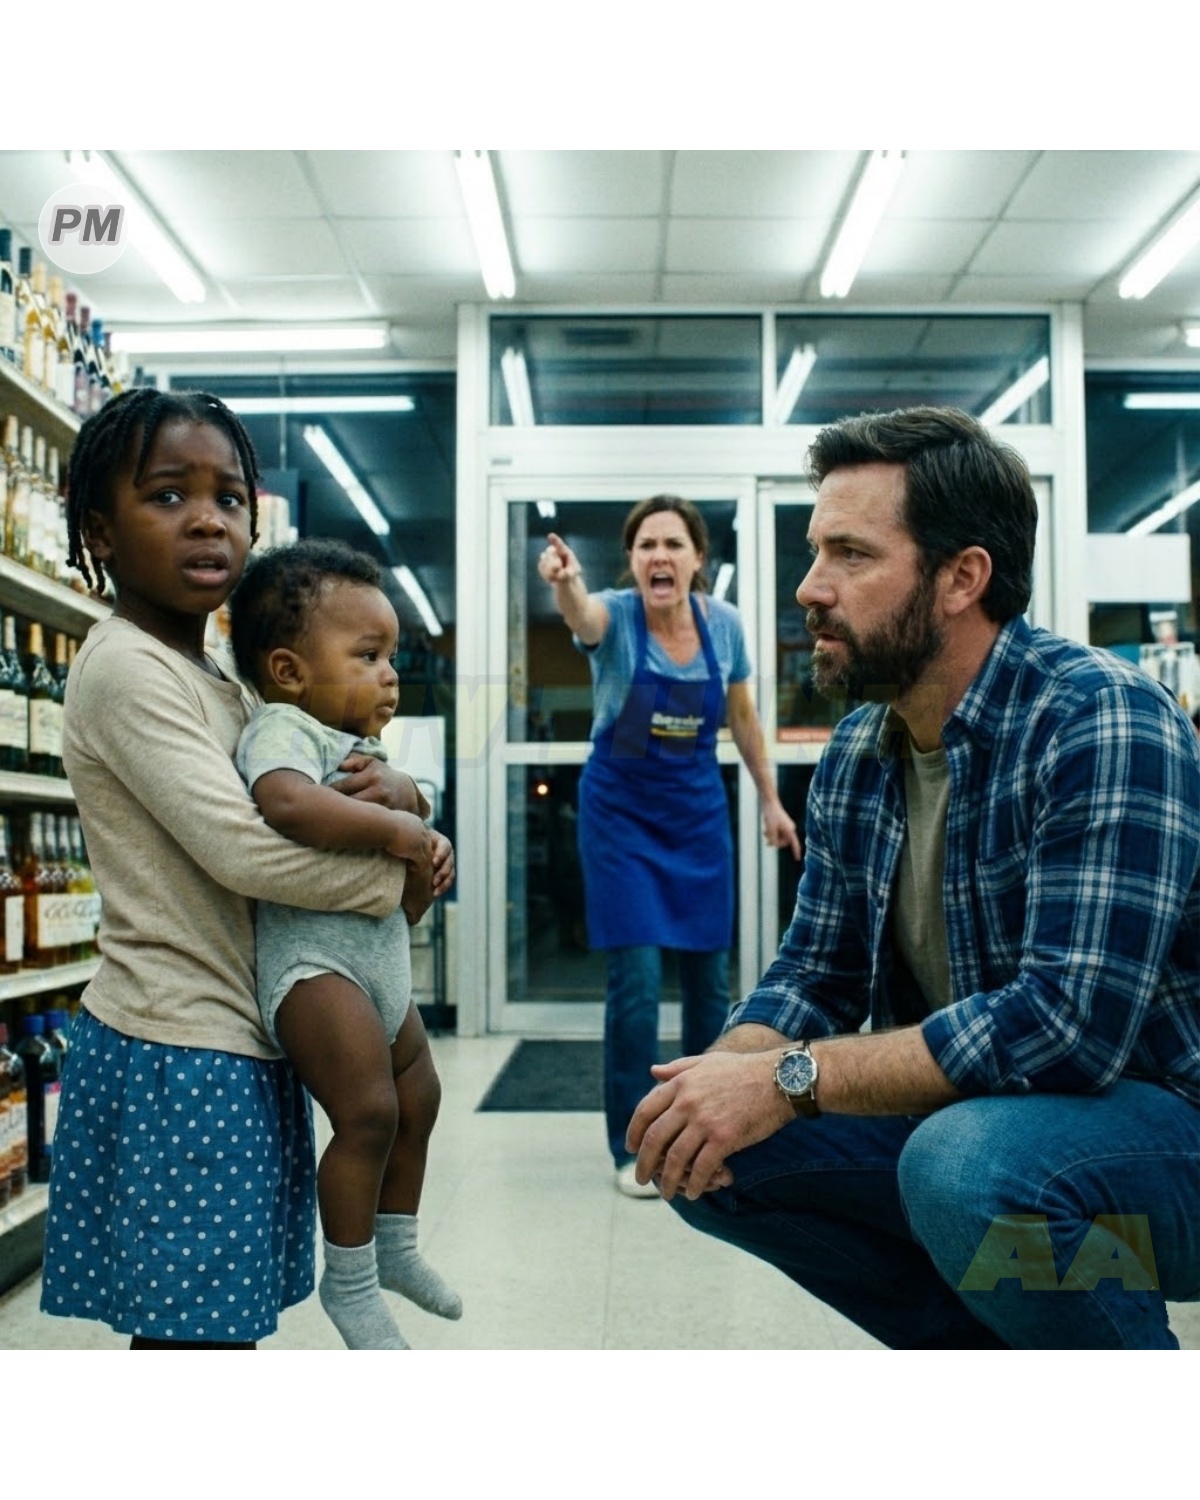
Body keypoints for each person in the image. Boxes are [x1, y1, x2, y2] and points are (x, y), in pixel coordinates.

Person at [627, 405, 1200, 1349]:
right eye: (816, 552)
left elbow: (1067, 1029)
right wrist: (716, 1085)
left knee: (967, 1168)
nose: (809, 587)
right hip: (993, 1122)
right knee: (712, 1161)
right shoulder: (864, 747)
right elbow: (816, 973)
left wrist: (789, 1078)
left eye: (851, 555)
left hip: (1163, 1131)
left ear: (960, 578)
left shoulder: (1101, 718)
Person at [39, 388, 449, 1350]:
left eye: (228, 498)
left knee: (222, 1323)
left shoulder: (221, 682)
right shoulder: (128, 669)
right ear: (99, 529)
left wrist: (405, 804)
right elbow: (248, 848)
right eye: (169, 496)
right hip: (180, 1040)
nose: (207, 521)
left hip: (234, 1032)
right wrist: (405, 870)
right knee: (194, 1342)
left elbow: (325, 797)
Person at [226, 538, 460, 1350]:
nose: (390, 673)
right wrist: (401, 824)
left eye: (391, 653)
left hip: (379, 965)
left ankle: (396, 1246)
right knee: (367, 1112)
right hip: (316, 969)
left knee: (420, 1098)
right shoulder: (282, 729)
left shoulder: (363, 747)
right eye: (368, 654)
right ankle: (351, 1281)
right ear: (290, 670)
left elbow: (407, 825)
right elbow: (289, 807)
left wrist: (413, 801)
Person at [537, 497, 800, 1198]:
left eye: (673, 544)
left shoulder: (726, 626)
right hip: (620, 815)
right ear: (632, 561)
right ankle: (635, 1147)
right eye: (647, 544)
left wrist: (771, 799)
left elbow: (742, 717)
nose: (660, 556)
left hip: (693, 813)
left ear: (696, 559)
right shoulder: (617, 616)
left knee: (711, 984)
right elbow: (580, 616)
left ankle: (712, 1131)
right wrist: (565, 581)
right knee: (637, 982)